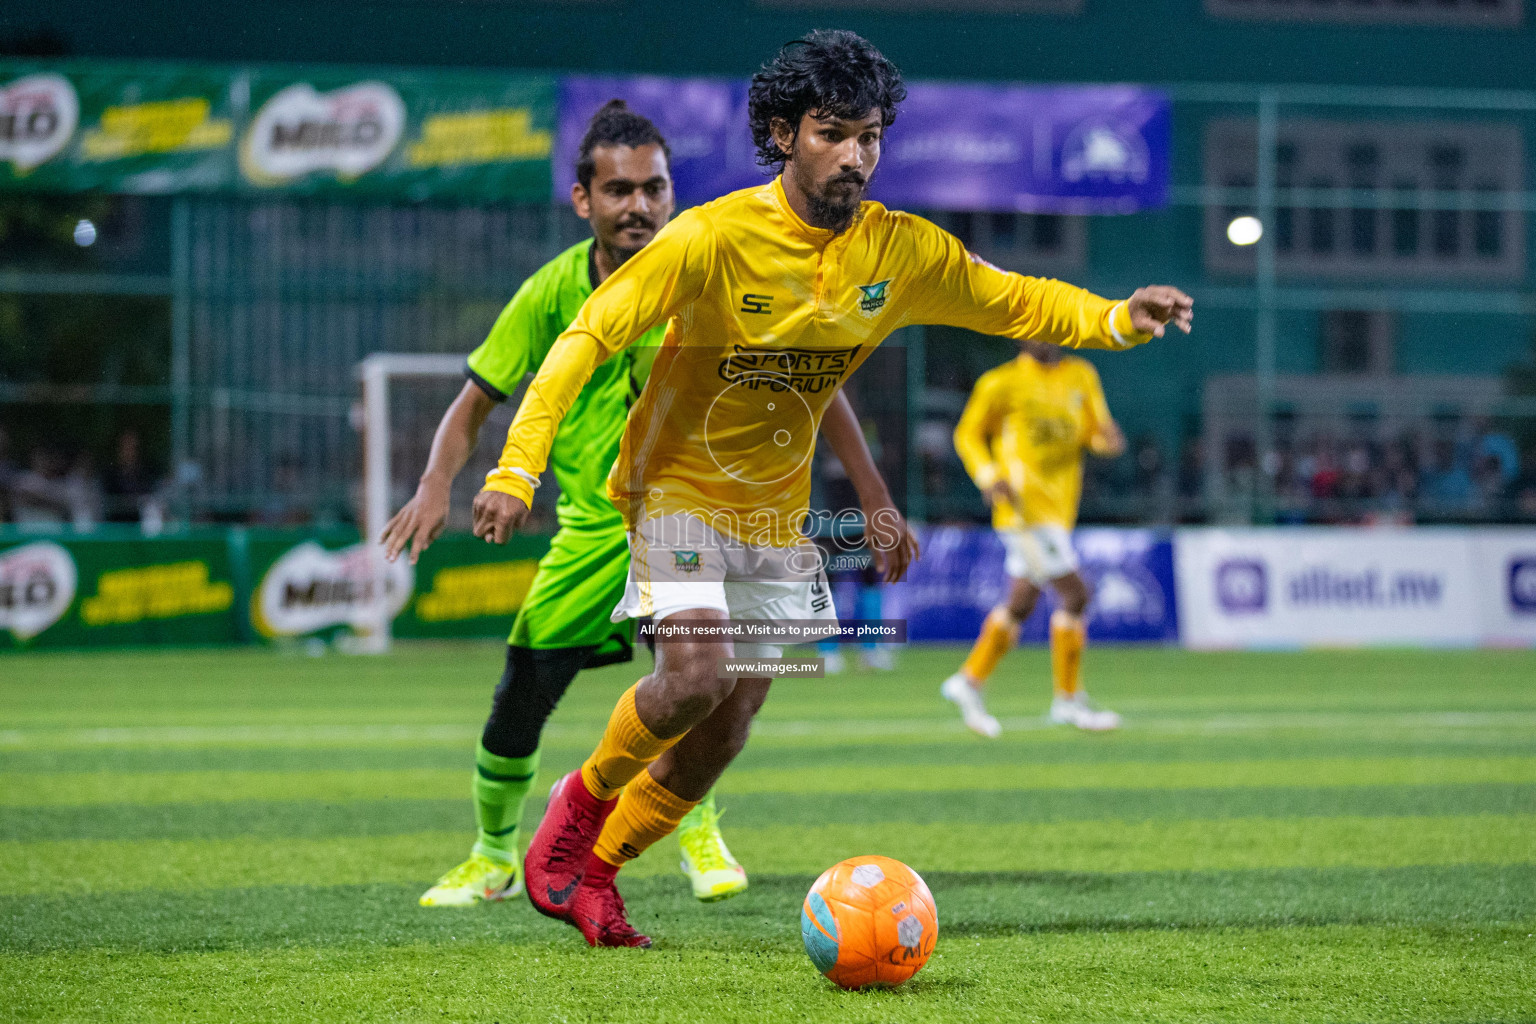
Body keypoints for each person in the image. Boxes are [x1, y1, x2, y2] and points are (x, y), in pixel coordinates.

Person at [471, 29, 1193, 947]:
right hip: (677, 490)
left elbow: (1016, 299)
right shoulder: (712, 237)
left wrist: (1119, 318)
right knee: (692, 676)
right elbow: (587, 336)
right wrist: (515, 465)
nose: (857, 155)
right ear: (783, 134)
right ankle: (575, 814)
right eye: (834, 133)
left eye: (872, 136)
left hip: (779, 512)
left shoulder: (902, 251)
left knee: (728, 725)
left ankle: (601, 874)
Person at [379, 101, 878, 908]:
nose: (638, 206)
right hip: (591, 533)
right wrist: (441, 483)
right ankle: (493, 854)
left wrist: (869, 485)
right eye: (618, 190)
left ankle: (698, 830)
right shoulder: (549, 295)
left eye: (653, 188)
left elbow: (814, 382)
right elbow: (478, 398)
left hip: (698, 516)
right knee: (522, 697)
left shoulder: (708, 267)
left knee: (703, 684)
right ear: (585, 201)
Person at [940, 339, 1127, 738]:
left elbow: (1093, 430)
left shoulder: (1082, 374)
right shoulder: (1001, 382)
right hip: (1022, 511)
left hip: (1060, 510)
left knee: (1021, 603)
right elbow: (967, 435)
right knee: (1077, 595)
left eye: (1054, 327)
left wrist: (1105, 441)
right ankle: (1068, 700)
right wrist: (989, 476)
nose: (1048, 336)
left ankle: (968, 681)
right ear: (1022, 335)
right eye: (1038, 328)